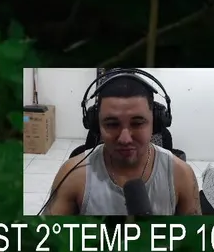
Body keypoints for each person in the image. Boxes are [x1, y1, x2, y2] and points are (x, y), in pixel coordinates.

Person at [43, 74, 201, 215]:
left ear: (155, 122)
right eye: (112, 124)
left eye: (137, 123)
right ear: (97, 125)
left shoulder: (181, 175)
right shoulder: (73, 175)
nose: (125, 139)